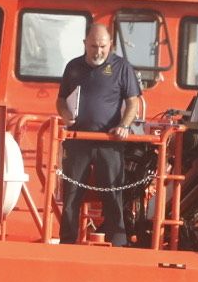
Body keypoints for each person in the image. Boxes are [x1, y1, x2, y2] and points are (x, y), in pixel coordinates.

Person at [57, 22, 143, 246]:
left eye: (103, 46)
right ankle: (67, 241)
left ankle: (118, 242)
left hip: (109, 142)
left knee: (113, 192)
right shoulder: (73, 67)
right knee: (72, 194)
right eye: (94, 46)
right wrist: (66, 115)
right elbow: (60, 100)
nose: (98, 51)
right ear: (85, 44)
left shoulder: (122, 67)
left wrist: (124, 125)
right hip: (78, 141)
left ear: (110, 45)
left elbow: (133, 102)